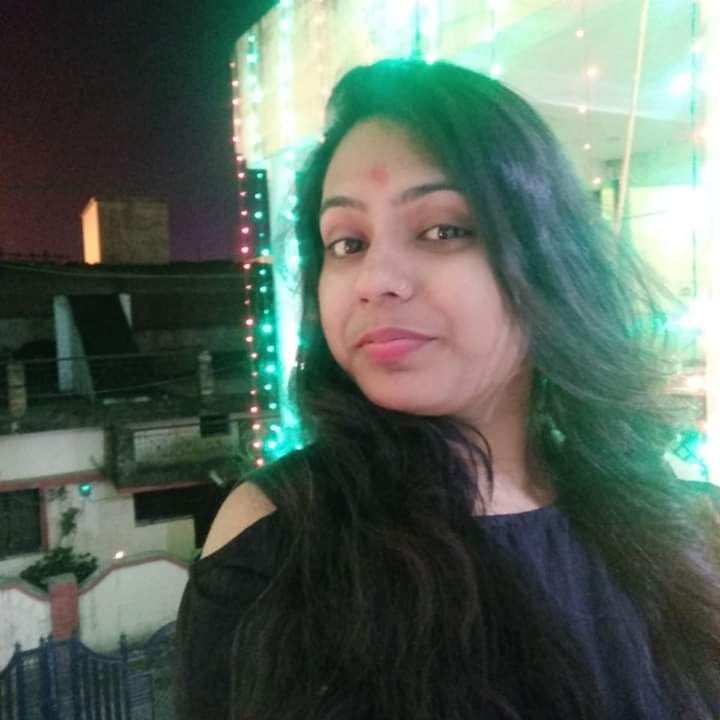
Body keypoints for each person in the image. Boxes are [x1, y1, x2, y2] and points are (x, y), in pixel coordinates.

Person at [175, 58, 720, 720]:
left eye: (442, 230)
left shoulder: (684, 520)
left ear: (550, 260)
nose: (375, 279)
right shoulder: (281, 535)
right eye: (346, 242)